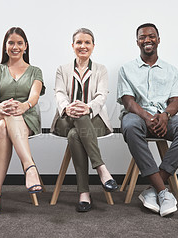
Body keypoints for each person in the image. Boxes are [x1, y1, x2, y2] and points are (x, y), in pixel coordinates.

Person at [117, 23, 178, 217]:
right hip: (137, 117)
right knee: (129, 125)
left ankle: (153, 189)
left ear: (158, 40)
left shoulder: (171, 70)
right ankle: (163, 191)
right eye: (142, 37)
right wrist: (147, 116)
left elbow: (175, 100)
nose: (147, 40)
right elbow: (128, 101)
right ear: (137, 42)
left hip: (164, 118)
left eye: (151, 36)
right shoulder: (126, 69)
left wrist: (165, 116)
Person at [51, 28, 118, 212]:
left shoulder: (101, 69)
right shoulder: (62, 69)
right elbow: (59, 93)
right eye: (79, 42)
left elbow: (101, 96)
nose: (83, 46)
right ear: (72, 46)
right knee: (75, 120)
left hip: (95, 120)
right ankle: (102, 169)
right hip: (65, 120)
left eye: (87, 42)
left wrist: (87, 108)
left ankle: (84, 193)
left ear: (93, 46)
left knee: (75, 135)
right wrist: (67, 107)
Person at [0, 27, 45, 217]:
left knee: (4, 127)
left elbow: (34, 96)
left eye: (19, 43)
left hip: (26, 118)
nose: (15, 47)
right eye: (11, 43)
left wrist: (24, 106)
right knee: (4, 117)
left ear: (26, 46)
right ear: (5, 46)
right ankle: (29, 167)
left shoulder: (35, 71)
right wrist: (0, 107)